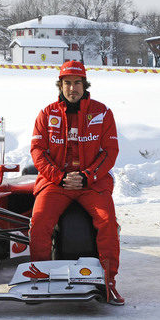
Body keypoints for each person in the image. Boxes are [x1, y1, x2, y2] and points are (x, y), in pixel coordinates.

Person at [29, 60, 124, 305]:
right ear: (60, 86)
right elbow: (38, 151)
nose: (73, 89)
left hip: (92, 183)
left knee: (108, 224)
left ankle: (108, 283)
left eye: (77, 83)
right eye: (67, 83)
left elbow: (110, 151)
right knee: (39, 223)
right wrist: (58, 176)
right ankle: (38, 281)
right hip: (55, 182)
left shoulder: (102, 112)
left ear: (85, 84)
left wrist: (87, 175)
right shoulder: (47, 113)